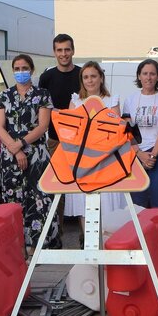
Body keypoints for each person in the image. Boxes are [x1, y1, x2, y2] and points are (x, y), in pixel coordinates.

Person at [0, 54, 60, 253]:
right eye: (17, 68)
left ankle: (40, 246)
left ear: (31, 70)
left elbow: (43, 126)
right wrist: (14, 149)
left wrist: (21, 144)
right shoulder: (4, 96)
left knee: (40, 199)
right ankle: (17, 247)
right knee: (14, 200)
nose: (20, 72)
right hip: (10, 155)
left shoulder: (42, 94)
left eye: (24, 68)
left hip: (36, 154)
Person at [65, 61, 126, 227]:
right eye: (85, 77)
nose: (89, 80)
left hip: (106, 161)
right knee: (83, 205)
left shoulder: (111, 100)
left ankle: (107, 247)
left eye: (93, 76)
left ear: (101, 78)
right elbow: (71, 132)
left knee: (107, 207)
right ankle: (88, 247)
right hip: (81, 162)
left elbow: (116, 131)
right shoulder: (75, 101)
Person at [123, 59, 158, 210]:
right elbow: (127, 131)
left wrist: (152, 156)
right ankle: (139, 234)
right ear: (139, 76)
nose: (148, 77)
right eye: (145, 73)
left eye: (152, 74)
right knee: (137, 203)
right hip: (136, 154)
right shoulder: (130, 100)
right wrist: (139, 154)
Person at [38, 34, 80, 154]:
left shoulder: (83, 75)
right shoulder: (46, 77)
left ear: (73, 51)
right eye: (59, 50)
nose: (63, 54)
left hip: (80, 138)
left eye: (67, 49)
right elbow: (41, 108)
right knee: (55, 173)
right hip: (54, 138)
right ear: (54, 52)